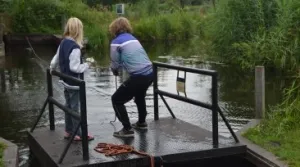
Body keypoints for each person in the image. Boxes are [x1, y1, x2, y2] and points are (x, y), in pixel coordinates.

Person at [50, 17, 94, 141]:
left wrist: (51, 68)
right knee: (75, 108)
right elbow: (74, 68)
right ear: (78, 30)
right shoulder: (75, 47)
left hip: (65, 81)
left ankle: (68, 131)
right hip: (74, 84)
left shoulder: (63, 42)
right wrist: (87, 65)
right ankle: (78, 133)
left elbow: (55, 59)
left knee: (68, 106)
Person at [109, 17, 153, 138]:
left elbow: (114, 63)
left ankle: (127, 129)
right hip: (150, 73)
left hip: (138, 76)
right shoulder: (133, 38)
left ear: (114, 29)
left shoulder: (116, 41)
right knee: (139, 96)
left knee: (116, 100)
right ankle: (142, 123)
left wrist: (114, 71)